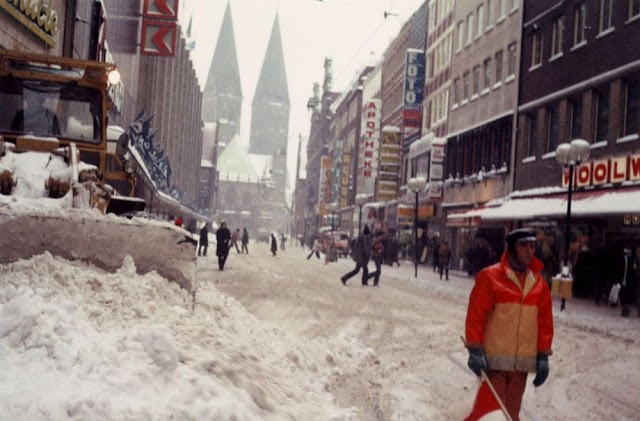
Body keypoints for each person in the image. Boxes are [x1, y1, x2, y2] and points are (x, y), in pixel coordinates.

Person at [464, 228, 554, 421]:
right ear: (512, 248)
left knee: (510, 415)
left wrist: (543, 355)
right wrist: (475, 349)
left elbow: (545, 323)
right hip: (494, 362)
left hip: (520, 365)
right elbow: (476, 316)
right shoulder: (490, 277)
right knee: (494, 414)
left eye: (532, 246)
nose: (529, 251)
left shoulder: (539, 284)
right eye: (524, 246)